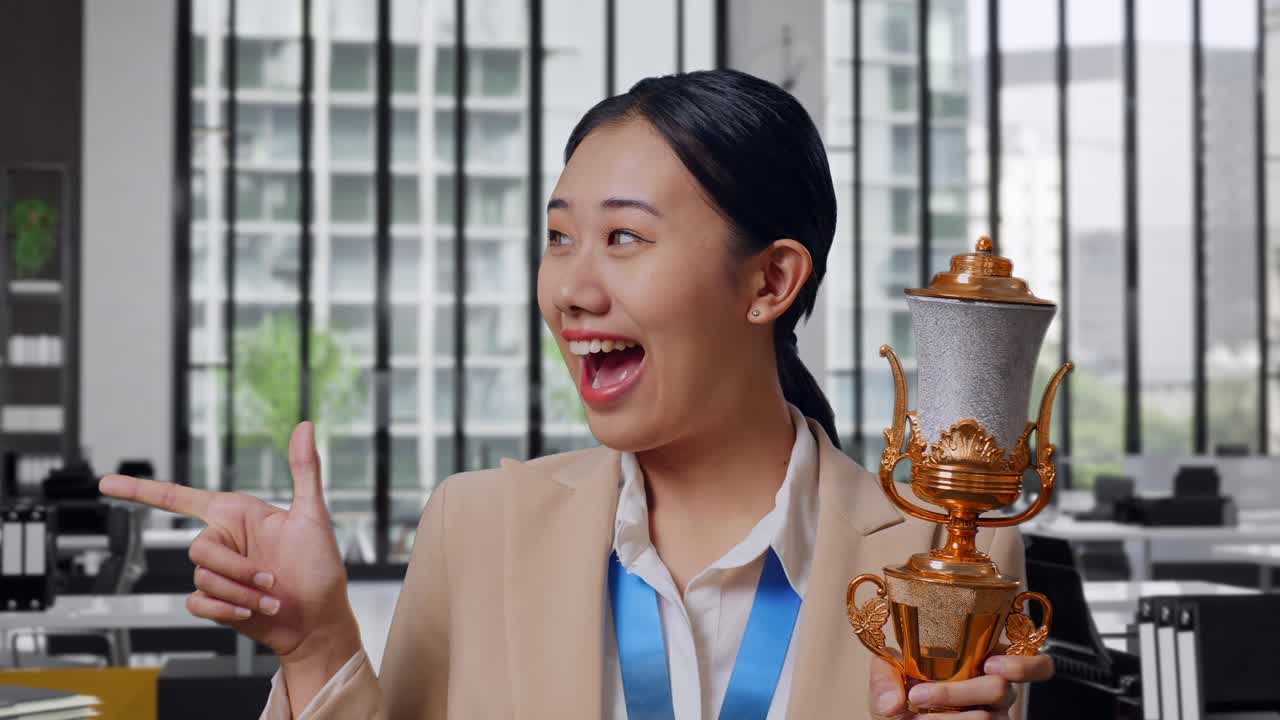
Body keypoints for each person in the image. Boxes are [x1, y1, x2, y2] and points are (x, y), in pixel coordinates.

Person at [101, 69, 1053, 719]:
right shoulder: (477, 528)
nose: (571, 288)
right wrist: (314, 647)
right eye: (561, 237)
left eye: (624, 238)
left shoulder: (945, 549)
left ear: (770, 282)